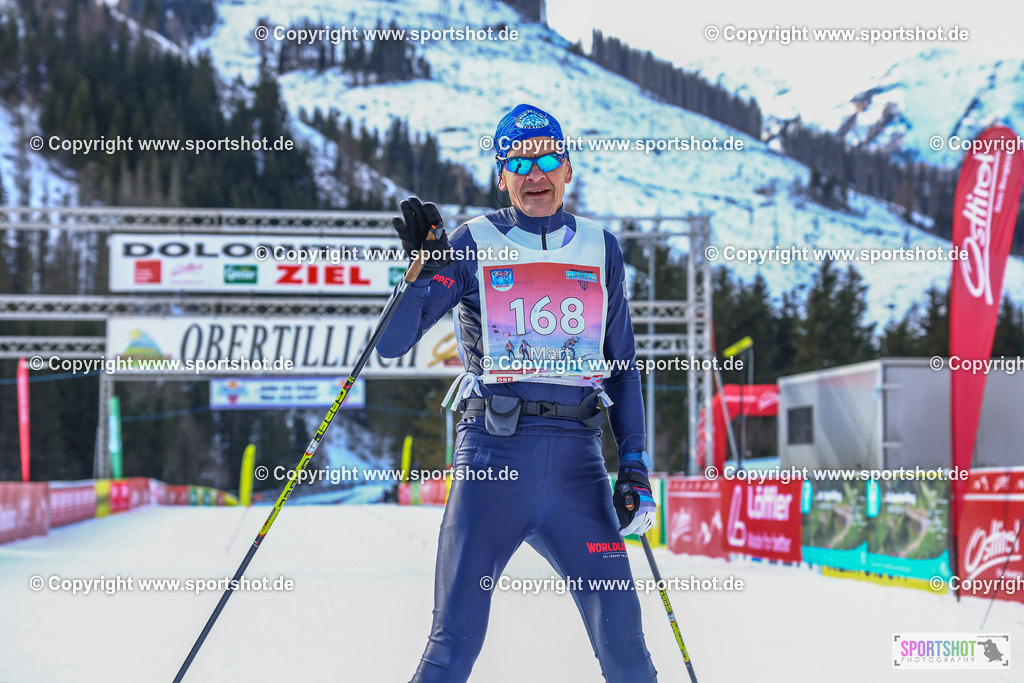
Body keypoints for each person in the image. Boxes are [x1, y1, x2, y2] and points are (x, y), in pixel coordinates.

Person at [376, 103, 659, 683]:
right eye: (519, 162)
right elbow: (393, 343)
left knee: (626, 648)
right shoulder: (471, 242)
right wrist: (423, 270)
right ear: (501, 175)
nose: (536, 174)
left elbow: (623, 366)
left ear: (568, 168)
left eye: (549, 158)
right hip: (492, 463)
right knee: (451, 648)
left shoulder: (601, 247)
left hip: (578, 469)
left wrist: (633, 464)